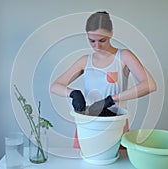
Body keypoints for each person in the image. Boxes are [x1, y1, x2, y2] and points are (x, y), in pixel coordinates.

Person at [50, 11, 157, 148]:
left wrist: (112, 99)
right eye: (92, 41)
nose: (97, 46)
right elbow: (55, 86)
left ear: (111, 33)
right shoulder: (85, 61)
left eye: (102, 40)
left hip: (115, 125)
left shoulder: (124, 57)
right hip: (88, 126)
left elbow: (149, 85)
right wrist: (73, 93)